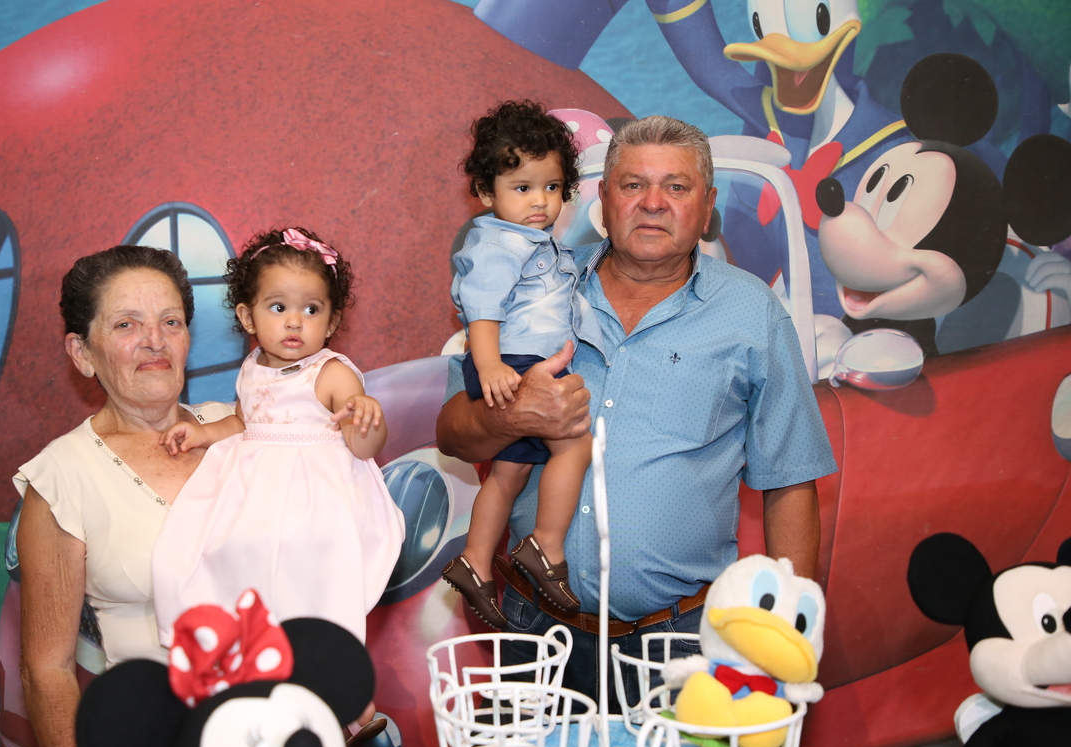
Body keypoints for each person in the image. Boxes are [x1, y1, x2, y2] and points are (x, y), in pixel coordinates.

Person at [436, 115, 838, 708]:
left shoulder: (752, 314)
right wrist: (514, 416)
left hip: (681, 646)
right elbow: (452, 433)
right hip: (533, 634)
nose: (653, 203)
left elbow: (790, 481)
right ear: (602, 198)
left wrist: (782, 642)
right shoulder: (538, 284)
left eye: (676, 187)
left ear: (707, 205)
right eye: (633, 185)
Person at [15, 245, 234, 747]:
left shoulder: (244, 430)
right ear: (82, 352)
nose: (155, 341)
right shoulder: (62, 477)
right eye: (126, 325)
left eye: (170, 322)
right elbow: (47, 672)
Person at [151, 227, 404, 652]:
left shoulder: (331, 373)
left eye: (311, 309)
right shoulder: (252, 367)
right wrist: (203, 433)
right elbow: (243, 422)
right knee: (226, 553)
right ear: (248, 317)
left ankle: (322, 656)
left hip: (315, 498)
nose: (294, 321)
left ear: (332, 322)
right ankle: (238, 641)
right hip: (258, 494)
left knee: (307, 574)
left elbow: (364, 449)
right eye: (278, 307)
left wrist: (366, 418)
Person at [442, 100, 594, 628]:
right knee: (574, 444)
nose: (540, 201)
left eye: (551, 187)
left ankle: (475, 561)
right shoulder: (498, 244)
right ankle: (545, 546)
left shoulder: (531, 241)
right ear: (487, 192)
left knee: (509, 472)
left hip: (519, 358)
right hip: (514, 359)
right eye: (522, 187)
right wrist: (489, 366)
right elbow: (481, 309)